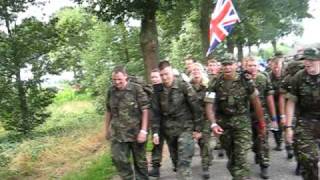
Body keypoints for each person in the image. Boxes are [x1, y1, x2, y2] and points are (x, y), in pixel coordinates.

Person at [205, 54, 266, 180]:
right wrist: (213, 123)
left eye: (230, 64)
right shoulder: (215, 82)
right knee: (233, 159)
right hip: (224, 125)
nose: (227, 67)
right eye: (224, 64)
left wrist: (261, 124)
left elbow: (256, 103)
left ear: (236, 65)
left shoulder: (246, 81)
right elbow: (209, 105)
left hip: (242, 123)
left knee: (241, 157)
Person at [151, 60, 202, 180]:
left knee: (183, 162)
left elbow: (196, 107)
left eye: (166, 74)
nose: (164, 77)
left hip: (185, 128)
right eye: (162, 75)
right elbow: (156, 114)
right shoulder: (157, 90)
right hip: (169, 131)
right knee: (176, 163)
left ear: (172, 72)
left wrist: (198, 129)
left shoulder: (183, 85)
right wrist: (155, 132)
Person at [105, 66, 150, 180]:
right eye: (114, 79)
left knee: (140, 163)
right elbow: (108, 111)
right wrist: (106, 130)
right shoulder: (111, 91)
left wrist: (144, 131)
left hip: (136, 132)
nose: (117, 82)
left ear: (126, 76)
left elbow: (145, 109)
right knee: (118, 160)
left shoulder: (136, 89)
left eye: (119, 79)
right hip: (118, 134)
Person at [285, 47, 320, 180]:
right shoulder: (299, 77)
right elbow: (291, 102)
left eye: (312, 60)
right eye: (306, 60)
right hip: (306, 121)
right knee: (308, 159)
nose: (307, 63)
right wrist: (288, 127)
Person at [245, 56, 277, 179]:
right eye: (250, 65)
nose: (252, 68)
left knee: (263, 140)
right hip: (246, 115)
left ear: (258, 66)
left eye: (254, 65)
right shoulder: (240, 79)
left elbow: (269, 98)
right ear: (245, 66)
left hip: (262, 114)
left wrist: (274, 118)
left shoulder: (263, 78)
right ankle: (257, 152)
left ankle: (264, 164)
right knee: (253, 142)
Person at [189, 62, 213, 179]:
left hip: (205, 118)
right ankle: (208, 156)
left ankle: (205, 167)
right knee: (199, 142)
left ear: (202, 71)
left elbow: (211, 105)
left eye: (198, 70)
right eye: (193, 70)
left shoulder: (208, 86)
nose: (196, 72)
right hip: (192, 120)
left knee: (204, 141)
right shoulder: (187, 87)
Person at [148, 68, 164, 177]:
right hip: (156, 122)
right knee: (156, 144)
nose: (154, 79)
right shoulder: (150, 91)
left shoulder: (167, 88)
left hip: (171, 121)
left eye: (156, 77)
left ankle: (178, 163)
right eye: (152, 77)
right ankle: (155, 167)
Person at [269, 53, 286, 151]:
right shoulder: (268, 77)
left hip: (286, 103)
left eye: (278, 67)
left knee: (287, 124)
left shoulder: (286, 76)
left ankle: (289, 145)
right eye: (274, 67)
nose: (276, 69)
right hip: (273, 104)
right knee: (275, 124)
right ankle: (278, 142)